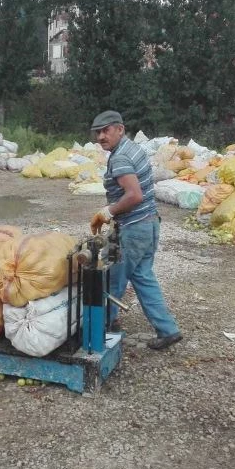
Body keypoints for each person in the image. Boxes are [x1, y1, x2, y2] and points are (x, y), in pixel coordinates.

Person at [89, 110, 183, 350]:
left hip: (133, 228)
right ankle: (168, 329)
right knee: (143, 277)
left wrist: (108, 211)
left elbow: (134, 195)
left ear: (120, 129)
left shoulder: (120, 157)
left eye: (106, 130)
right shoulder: (133, 148)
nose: (101, 136)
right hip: (149, 224)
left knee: (112, 280)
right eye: (97, 132)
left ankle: (102, 328)